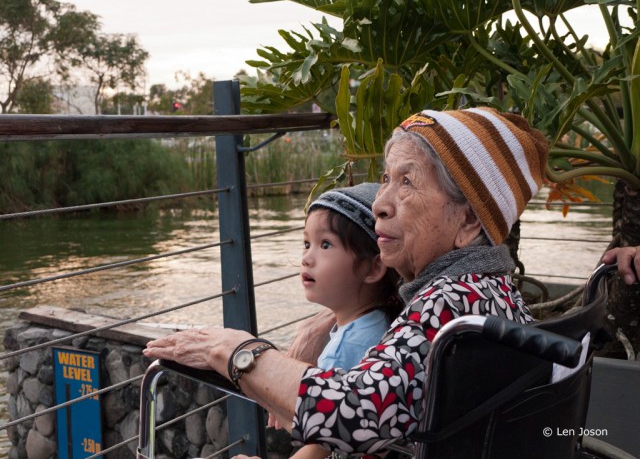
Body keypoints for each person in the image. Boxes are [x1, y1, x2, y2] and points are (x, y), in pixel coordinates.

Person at [143, 107, 640, 456]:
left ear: (468, 222)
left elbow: (355, 412)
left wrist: (237, 351)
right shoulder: (486, 292)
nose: (380, 200)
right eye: (386, 178)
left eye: (408, 181)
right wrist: (325, 323)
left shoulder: (450, 310)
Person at [288, 183, 402, 459]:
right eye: (307, 243)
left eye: (325, 244)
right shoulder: (382, 323)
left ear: (373, 267)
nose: (306, 258)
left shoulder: (347, 345)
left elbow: (321, 441)